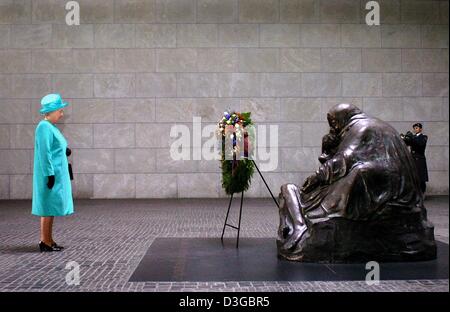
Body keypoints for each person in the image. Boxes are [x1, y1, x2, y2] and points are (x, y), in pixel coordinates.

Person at [32, 94, 74, 252]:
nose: (62, 114)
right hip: (51, 174)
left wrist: (64, 150)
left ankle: (48, 239)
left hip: (56, 173)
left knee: (50, 207)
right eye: (60, 111)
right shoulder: (44, 127)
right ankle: (45, 241)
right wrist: (49, 174)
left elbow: (54, 146)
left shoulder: (50, 127)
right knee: (47, 207)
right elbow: (44, 152)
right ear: (52, 111)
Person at [401, 123, 429, 194]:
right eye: (414, 128)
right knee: (413, 177)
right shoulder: (413, 137)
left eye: (416, 128)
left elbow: (420, 144)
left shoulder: (424, 137)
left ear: (420, 129)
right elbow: (407, 144)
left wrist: (411, 138)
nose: (415, 129)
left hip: (420, 159)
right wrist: (404, 138)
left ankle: (422, 193)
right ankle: (414, 194)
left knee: (421, 178)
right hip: (412, 159)